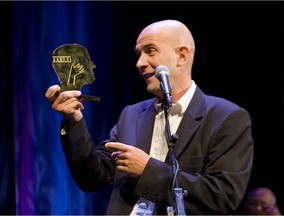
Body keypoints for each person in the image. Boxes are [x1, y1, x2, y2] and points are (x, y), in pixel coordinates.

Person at [45, 19, 254, 215]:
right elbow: (92, 177)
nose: (139, 63)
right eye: (138, 54)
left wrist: (148, 170)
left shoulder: (226, 117)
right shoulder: (132, 115)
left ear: (182, 55)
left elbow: (224, 196)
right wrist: (74, 121)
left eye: (150, 51)